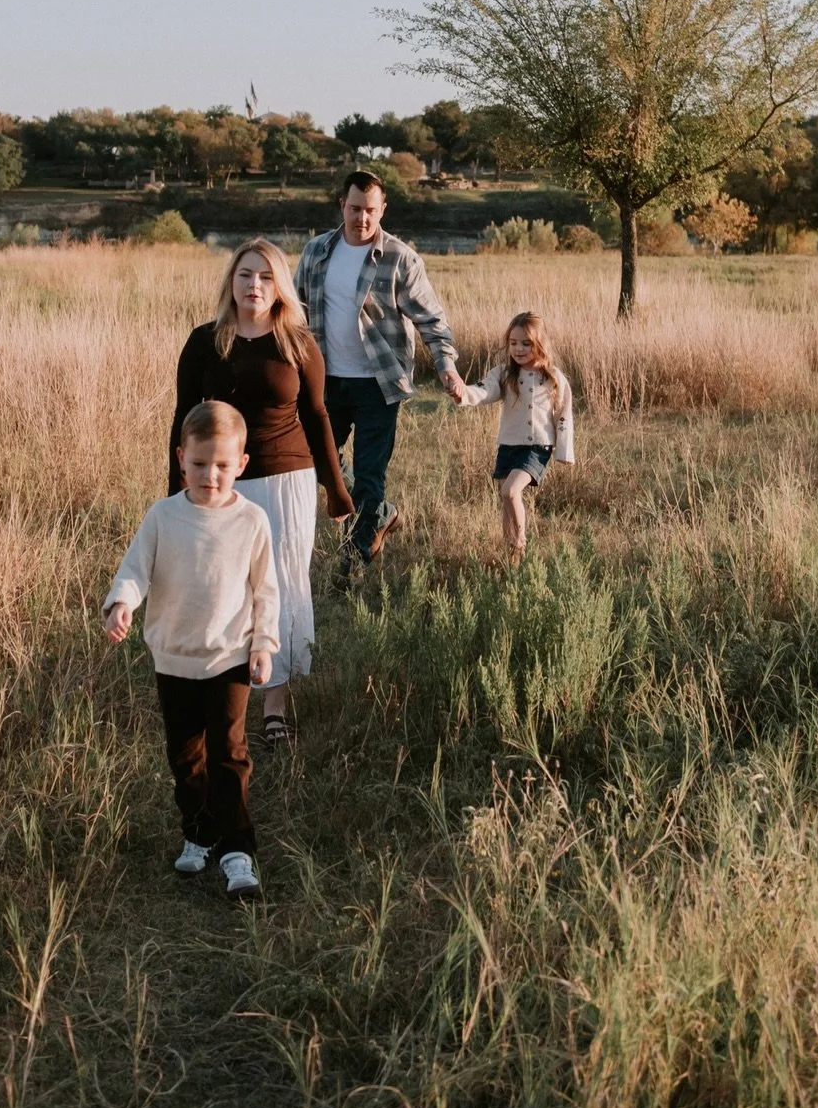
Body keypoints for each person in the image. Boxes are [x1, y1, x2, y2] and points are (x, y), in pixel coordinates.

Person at [169, 238, 353, 746]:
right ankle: (227, 695)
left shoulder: (297, 343)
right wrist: (175, 489)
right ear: (232, 280)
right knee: (225, 587)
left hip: (286, 479)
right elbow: (184, 421)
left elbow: (317, 417)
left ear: (280, 287)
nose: (255, 285)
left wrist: (335, 490)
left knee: (282, 584)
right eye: (246, 274)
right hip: (222, 483)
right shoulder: (206, 341)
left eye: (266, 277)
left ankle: (274, 706)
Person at [103, 400, 278, 898]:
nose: (210, 475)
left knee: (229, 753)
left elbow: (267, 590)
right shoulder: (163, 516)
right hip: (175, 659)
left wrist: (263, 644)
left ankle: (237, 850)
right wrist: (121, 604)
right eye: (199, 464)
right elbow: (135, 570)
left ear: (241, 465)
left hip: (230, 657)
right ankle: (199, 832)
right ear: (181, 458)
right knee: (185, 755)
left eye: (223, 466)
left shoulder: (252, 521)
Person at [295, 168, 465, 577]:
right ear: (342, 205)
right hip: (325, 381)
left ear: (382, 209)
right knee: (321, 462)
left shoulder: (400, 258)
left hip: (379, 385)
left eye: (371, 210)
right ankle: (383, 514)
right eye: (355, 209)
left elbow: (431, 319)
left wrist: (447, 366)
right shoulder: (316, 252)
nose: (362, 219)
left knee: (370, 474)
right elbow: (293, 310)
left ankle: (352, 565)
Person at [456, 310, 574, 563]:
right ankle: (512, 557)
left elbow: (563, 415)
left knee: (510, 491)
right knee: (506, 503)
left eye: (526, 343)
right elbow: (484, 391)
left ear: (540, 344)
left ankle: (520, 546)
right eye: (513, 343)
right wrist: (463, 394)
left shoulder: (553, 377)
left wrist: (564, 451)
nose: (518, 349)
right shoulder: (503, 373)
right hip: (508, 446)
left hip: (537, 448)